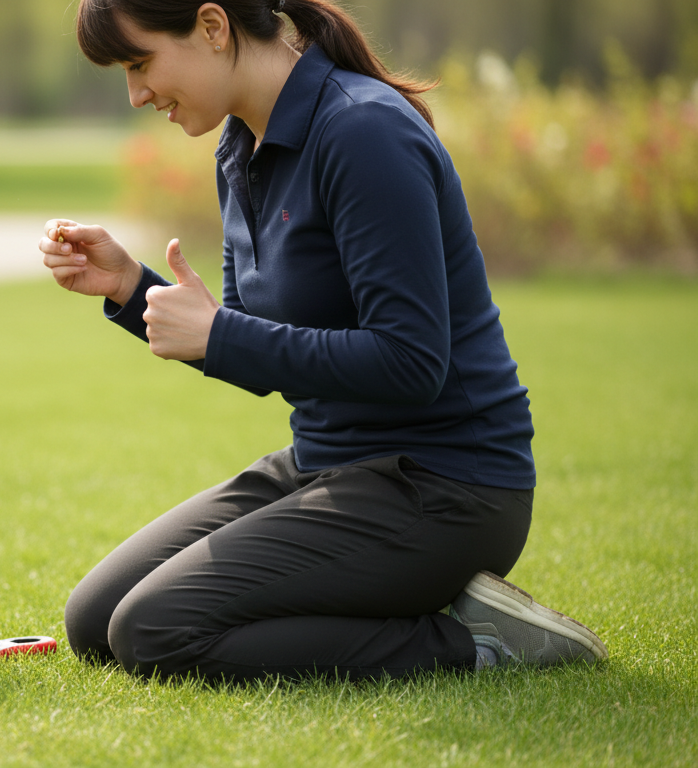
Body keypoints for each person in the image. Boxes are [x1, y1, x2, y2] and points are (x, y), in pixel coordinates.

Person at [37, 0, 607, 684]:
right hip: (328, 463)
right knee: (93, 621)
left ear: (213, 27)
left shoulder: (362, 132)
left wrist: (219, 334)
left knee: (153, 629)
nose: (135, 94)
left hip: (447, 488)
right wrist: (131, 287)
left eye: (140, 62)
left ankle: (467, 642)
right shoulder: (240, 147)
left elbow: (412, 361)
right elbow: (253, 345)